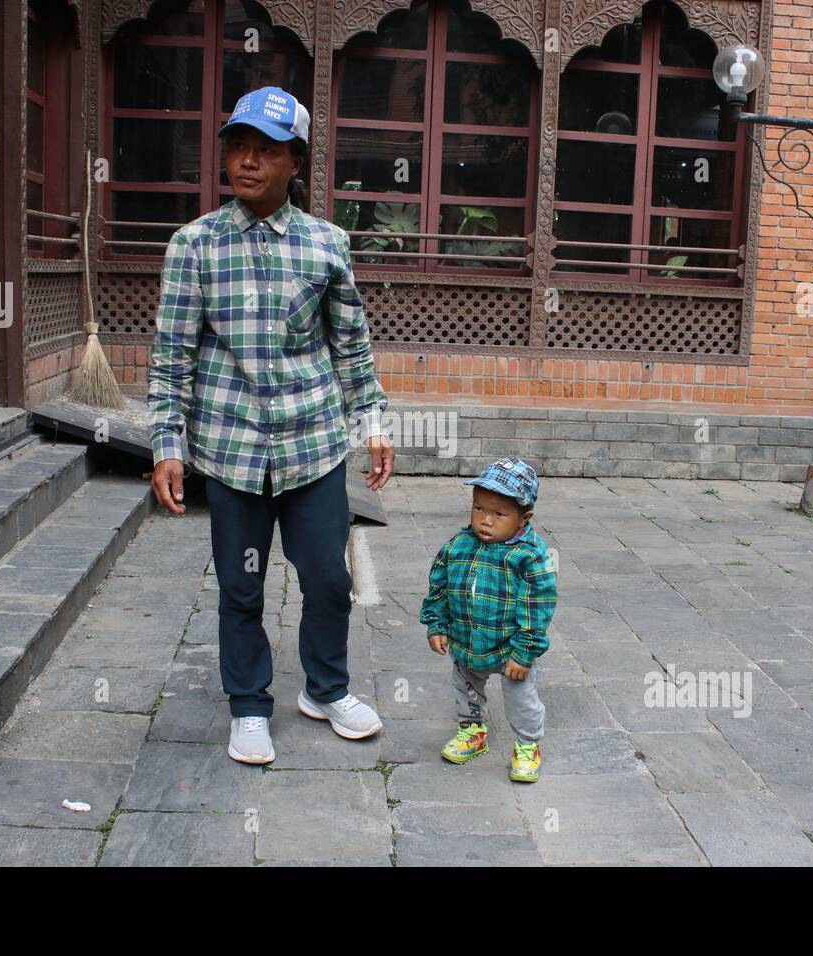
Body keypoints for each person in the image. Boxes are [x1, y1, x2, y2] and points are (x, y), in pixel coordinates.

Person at [147, 87, 395, 766]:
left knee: (328, 578)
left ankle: (326, 689)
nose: (246, 160)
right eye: (236, 146)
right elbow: (170, 359)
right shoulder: (194, 246)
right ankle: (250, 704)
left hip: (312, 447)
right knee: (241, 585)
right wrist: (167, 445)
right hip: (230, 452)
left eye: (265, 149)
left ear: (295, 162)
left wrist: (372, 420)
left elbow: (351, 345)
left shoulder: (326, 245)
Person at [420, 458, 557, 783]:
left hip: (510, 648)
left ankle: (527, 745)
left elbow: (538, 607)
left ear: (524, 518)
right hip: (467, 640)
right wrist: (436, 623)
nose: (486, 520)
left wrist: (525, 651)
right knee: (464, 689)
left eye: (499, 514)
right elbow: (438, 585)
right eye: (479, 508)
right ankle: (473, 732)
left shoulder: (530, 555)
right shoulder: (458, 545)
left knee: (521, 699)